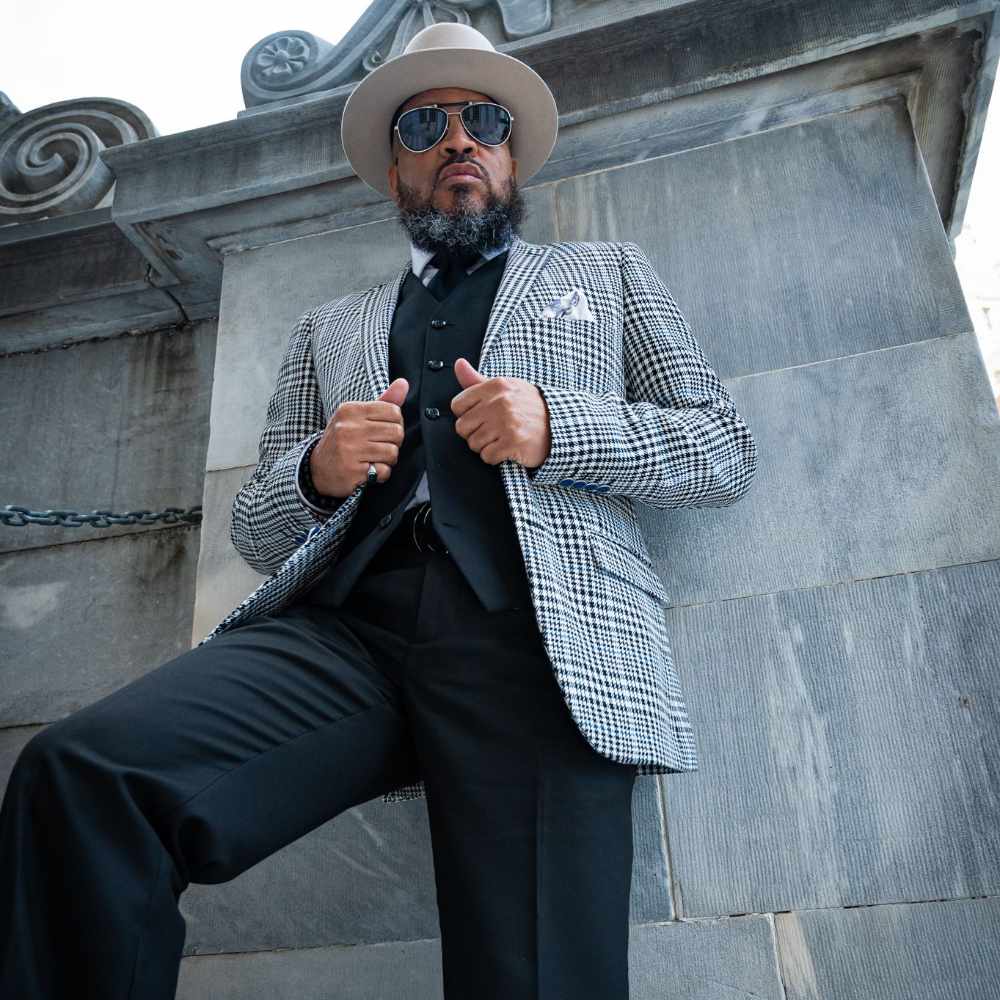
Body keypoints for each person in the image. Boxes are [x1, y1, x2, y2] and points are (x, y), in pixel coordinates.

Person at [0, 22, 758, 1000]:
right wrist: (319, 472)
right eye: (425, 126)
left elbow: (721, 447)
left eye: (483, 120)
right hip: (346, 630)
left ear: (511, 153)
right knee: (83, 776)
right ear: (394, 171)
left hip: (537, 633)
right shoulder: (331, 327)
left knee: (534, 975)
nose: (459, 139)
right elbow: (258, 527)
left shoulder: (605, 274)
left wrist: (558, 426)